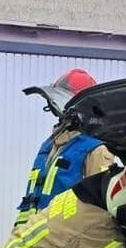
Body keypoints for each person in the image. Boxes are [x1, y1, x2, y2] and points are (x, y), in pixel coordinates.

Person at [13, 68, 117, 227]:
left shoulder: (96, 149)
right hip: (33, 241)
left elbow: (99, 211)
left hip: (64, 243)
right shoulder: (49, 145)